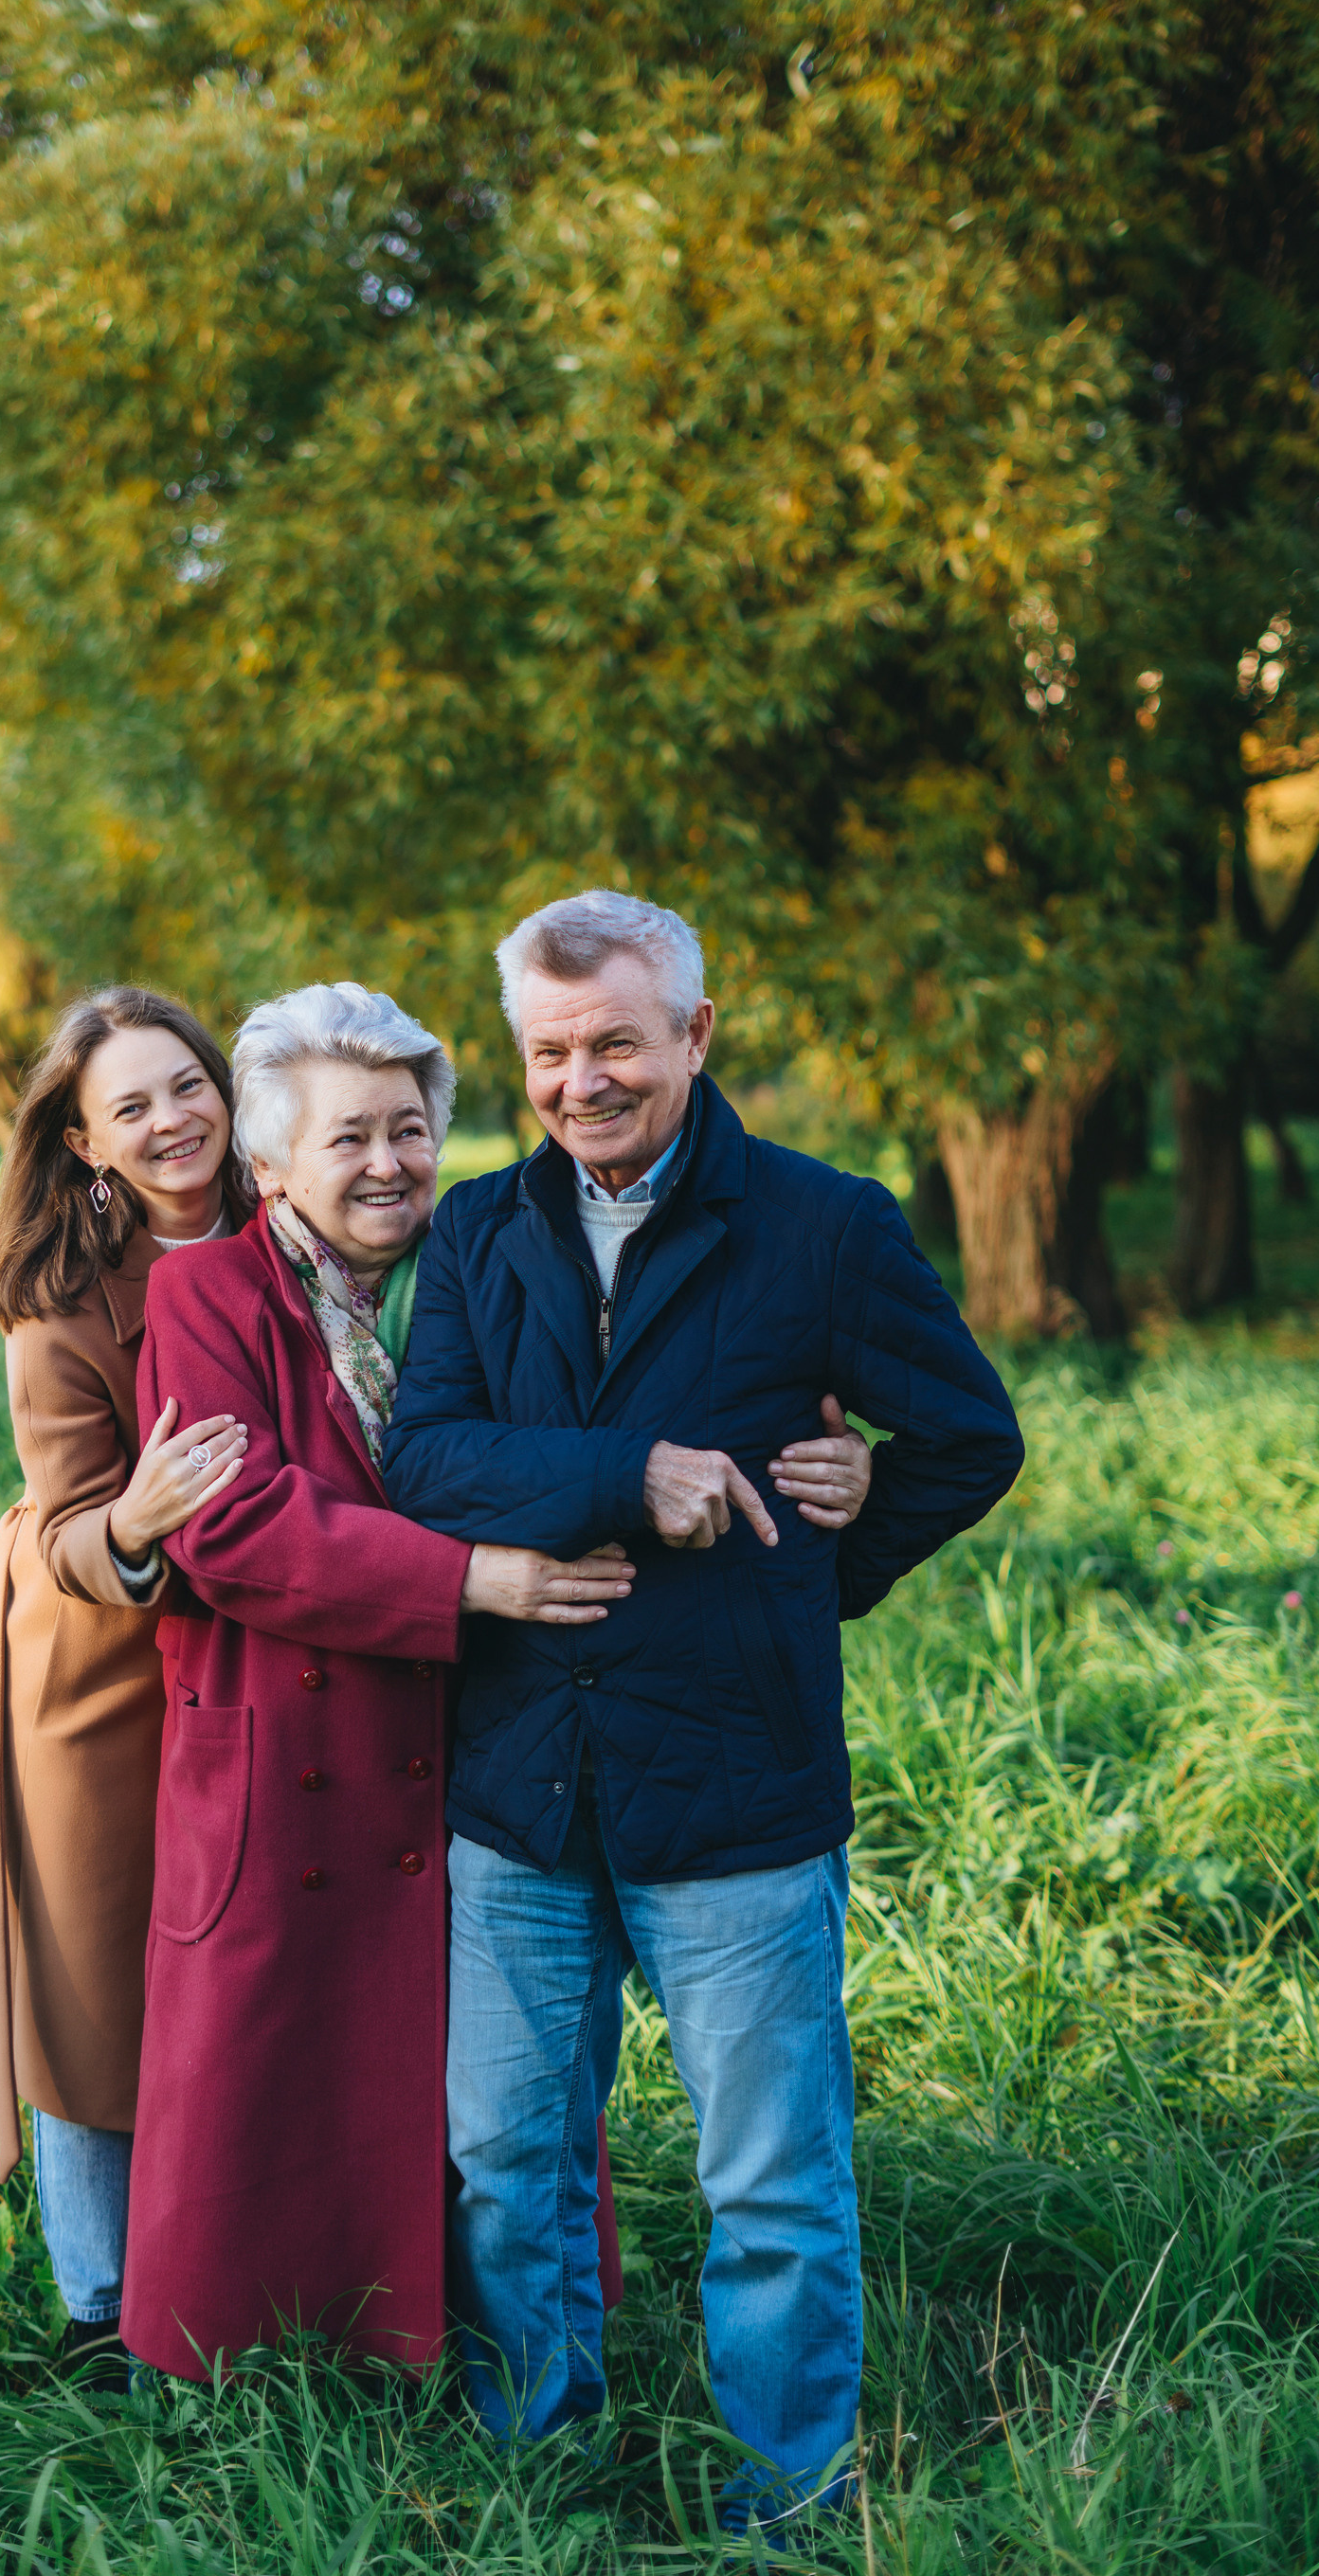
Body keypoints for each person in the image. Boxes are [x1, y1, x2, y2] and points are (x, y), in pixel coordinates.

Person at [117, 982, 876, 2383]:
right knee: (282, 2087)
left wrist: (839, 1463)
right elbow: (234, 1524)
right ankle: (267, 2377)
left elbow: (646, 1425)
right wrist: (472, 1580)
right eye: (347, 1139)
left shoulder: (487, 1257)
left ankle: (470, 2361)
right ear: (271, 1164)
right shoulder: (208, 1292)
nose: (389, 1164)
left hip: (496, 1747)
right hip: (303, 1742)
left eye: (410, 1129)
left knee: (483, 2114)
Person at [382, 892, 1026, 2537]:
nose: (581, 1080)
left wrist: (830, 1541)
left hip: (737, 1787)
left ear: (694, 1036)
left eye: (614, 1043)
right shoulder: (472, 1235)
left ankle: (790, 2501)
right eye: (547, 1051)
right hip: (519, 1785)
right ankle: (541, 2462)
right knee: (509, 2171)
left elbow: (967, 1436)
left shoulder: (826, 1226)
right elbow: (428, 1460)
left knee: (770, 2187)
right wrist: (627, 1480)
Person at [0, 985, 259, 2388]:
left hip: (277, 1656)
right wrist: (137, 1520)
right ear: (85, 1145)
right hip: (107, 1669)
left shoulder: (304, 1229)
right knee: (96, 1975)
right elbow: (72, 1519)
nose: (170, 1121)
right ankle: (99, 2298)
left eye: (186, 1085)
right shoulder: (62, 1309)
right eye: (128, 1107)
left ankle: (252, 2252)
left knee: (252, 1952)